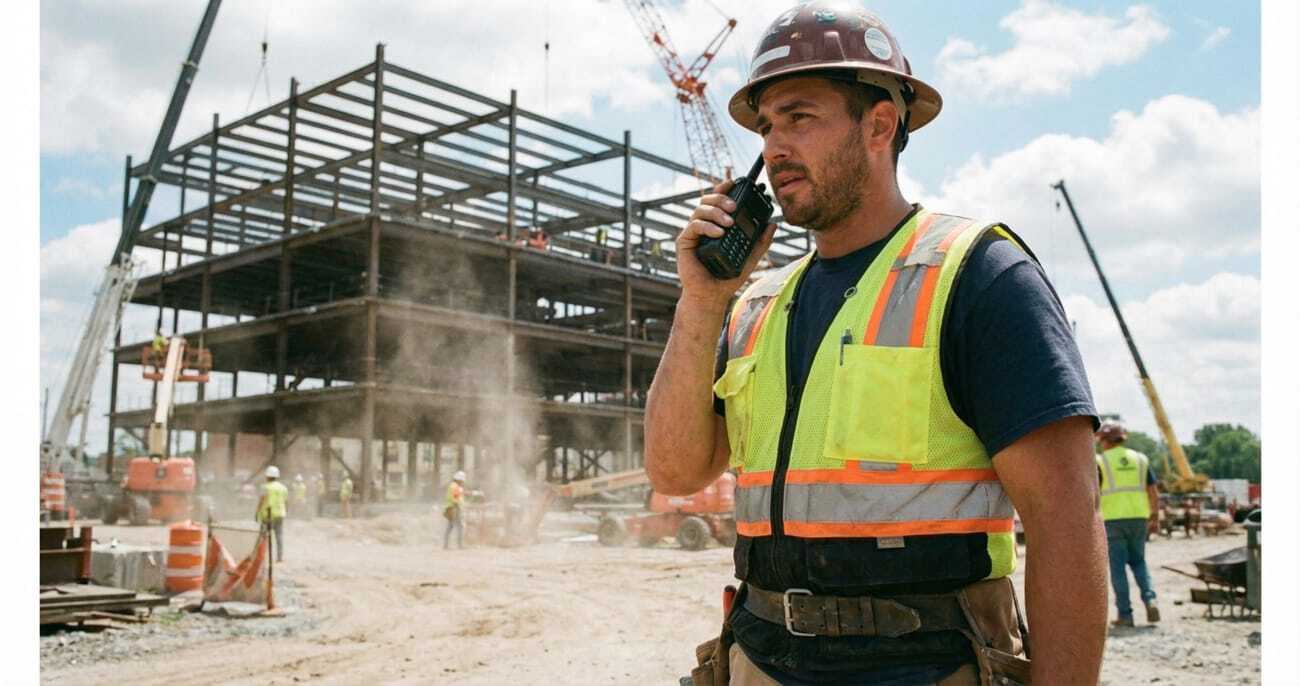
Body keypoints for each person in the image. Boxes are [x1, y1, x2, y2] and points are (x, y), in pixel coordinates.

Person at [644, 4, 1108, 684]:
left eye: (800, 117)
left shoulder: (977, 275)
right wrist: (703, 299)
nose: (773, 148)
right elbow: (675, 472)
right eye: (767, 126)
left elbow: (1065, 520)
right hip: (761, 660)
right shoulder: (754, 303)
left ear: (880, 126)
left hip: (926, 666)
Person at [1096, 421, 1161, 628]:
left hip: (1112, 520)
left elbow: (1093, 493)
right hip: (1139, 518)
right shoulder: (1140, 459)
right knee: (1139, 562)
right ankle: (1150, 600)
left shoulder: (1099, 461)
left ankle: (1126, 615)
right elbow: (1152, 490)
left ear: (1104, 440)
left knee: (1118, 569)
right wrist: (1155, 515)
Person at [255, 466, 288, 563]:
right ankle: (279, 557)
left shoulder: (265, 487)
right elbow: (286, 502)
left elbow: (261, 500)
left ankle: (260, 556)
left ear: (268, 476)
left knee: (263, 536)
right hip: (280, 514)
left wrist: (257, 512)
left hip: (268, 515)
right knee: (279, 536)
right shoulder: (283, 488)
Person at [443, 471, 466, 550]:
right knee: (460, 526)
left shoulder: (452, 486)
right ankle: (460, 545)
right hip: (455, 508)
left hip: (451, 507)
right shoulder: (455, 487)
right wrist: (458, 508)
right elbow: (455, 499)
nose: (463, 482)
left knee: (450, 526)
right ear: (459, 479)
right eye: (462, 481)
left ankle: (446, 545)